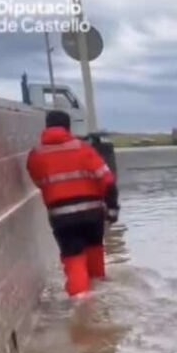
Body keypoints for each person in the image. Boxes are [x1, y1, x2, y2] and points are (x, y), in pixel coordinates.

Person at [26, 110, 119, 298]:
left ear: (47, 127)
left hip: (62, 217)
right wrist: (112, 210)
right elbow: (107, 181)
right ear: (68, 127)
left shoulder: (35, 155)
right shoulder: (84, 149)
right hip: (92, 215)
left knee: (74, 262)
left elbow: (39, 182)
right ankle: (102, 305)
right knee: (95, 259)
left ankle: (80, 308)